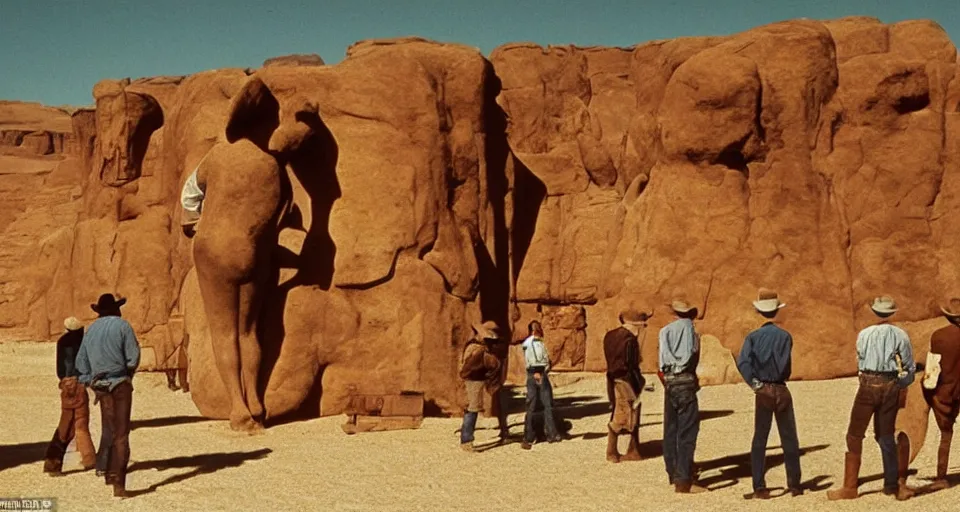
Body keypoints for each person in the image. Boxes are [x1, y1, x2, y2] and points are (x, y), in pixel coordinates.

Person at [827, 296, 916, 501]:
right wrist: (901, 383)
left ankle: (850, 487)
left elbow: (860, 359)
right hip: (890, 384)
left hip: (867, 384)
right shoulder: (901, 335)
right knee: (885, 435)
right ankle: (892, 485)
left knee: (854, 434)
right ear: (892, 313)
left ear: (875, 312)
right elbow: (909, 366)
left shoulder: (864, 334)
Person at [736, 289, 803, 499]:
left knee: (760, 439)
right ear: (776, 311)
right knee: (789, 438)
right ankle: (794, 485)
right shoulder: (785, 337)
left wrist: (755, 384)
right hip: (782, 389)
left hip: (762, 389)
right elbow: (788, 368)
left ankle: (760, 487)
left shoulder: (753, 337)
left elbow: (743, 363)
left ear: (759, 312)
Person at [76, 293, 141, 498]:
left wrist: (90, 380)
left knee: (110, 428)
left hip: (101, 386)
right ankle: (118, 483)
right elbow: (133, 357)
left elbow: (81, 362)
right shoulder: (123, 326)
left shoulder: (90, 331)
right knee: (121, 433)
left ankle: (107, 472)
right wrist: (128, 372)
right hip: (120, 382)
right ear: (116, 309)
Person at [659, 299, 706, 493]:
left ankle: (673, 472)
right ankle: (684, 480)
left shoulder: (664, 331)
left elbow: (661, 363)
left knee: (670, 429)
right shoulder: (691, 332)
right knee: (687, 431)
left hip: (670, 383)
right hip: (686, 382)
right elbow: (691, 357)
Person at [43, 317, 97, 476]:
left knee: (65, 425)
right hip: (79, 384)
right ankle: (89, 460)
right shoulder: (84, 343)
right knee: (80, 424)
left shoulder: (62, 341)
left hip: (66, 386)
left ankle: (52, 462)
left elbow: (60, 368)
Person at [921, 297, 960, 491]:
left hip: (946, 391)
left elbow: (933, 369)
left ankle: (941, 476)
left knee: (946, 433)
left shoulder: (939, 336)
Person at [602, 308, 651, 463]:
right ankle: (613, 451)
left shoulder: (609, 335)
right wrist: (639, 382)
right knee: (626, 414)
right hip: (626, 380)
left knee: (621, 410)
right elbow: (631, 365)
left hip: (612, 379)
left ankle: (632, 449)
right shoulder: (630, 340)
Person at [458, 320, 503, 452]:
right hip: (474, 381)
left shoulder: (473, 346)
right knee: (472, 409)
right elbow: (473, 366)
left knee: (472, 409)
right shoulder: (477, 349)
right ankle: (466, 440)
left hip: (473, 380)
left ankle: (467, 439)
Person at [520, 320, 561, 449]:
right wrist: (538, 372)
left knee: (544, 404)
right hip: (536, 374)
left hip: (540, 373)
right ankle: (531, 436)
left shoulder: (539, 342)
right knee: (538, 405)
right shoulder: (531, 342)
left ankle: (547, 433)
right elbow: (535, 359)